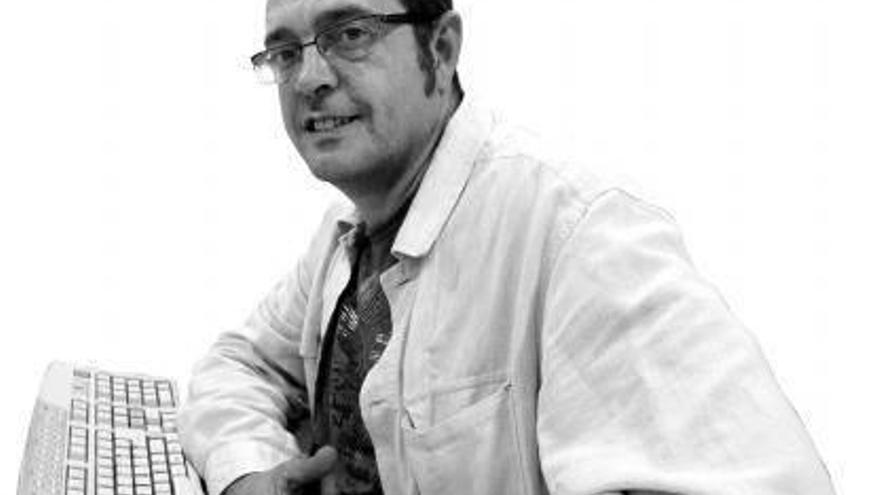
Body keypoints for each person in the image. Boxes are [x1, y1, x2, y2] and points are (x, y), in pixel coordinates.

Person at [178, 0, 836, 493]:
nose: (308, 77)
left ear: (441, 49)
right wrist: (248, 472)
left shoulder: (577, 230)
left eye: (350, 34)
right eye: (285, 51)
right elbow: (238, 366)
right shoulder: (347, 237)